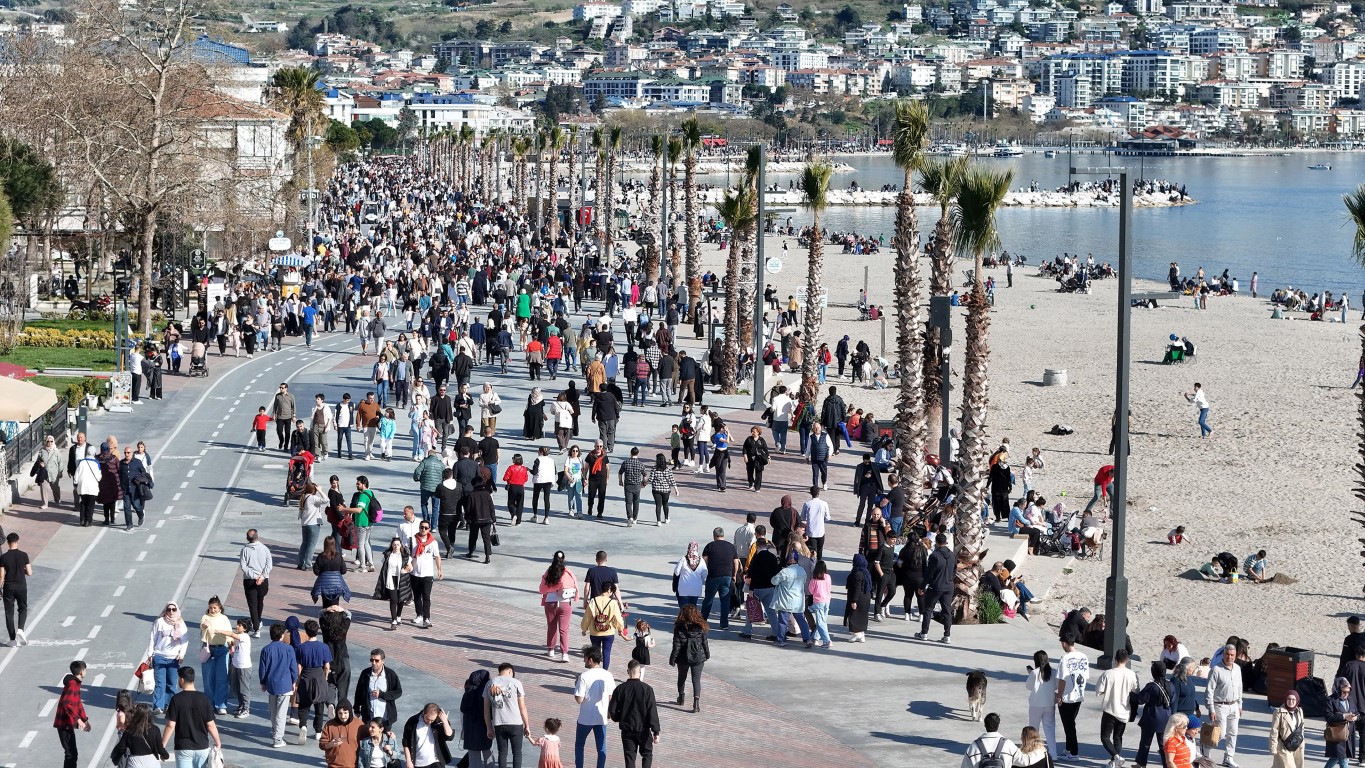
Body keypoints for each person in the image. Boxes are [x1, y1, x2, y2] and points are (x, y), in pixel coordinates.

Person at [161, 666, 222, 768]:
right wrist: (218, 742)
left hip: (183, 747)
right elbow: (210, 724)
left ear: (182, 679)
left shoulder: (176, 699)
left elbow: (170, 725)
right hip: (202, 747)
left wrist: (162, 745)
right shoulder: (204, 698)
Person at [607, 660, 660, 768]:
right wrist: (656, 731)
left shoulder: (620, 689)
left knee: (629, 757)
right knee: (647, 755)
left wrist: (619, 718)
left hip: (627, 730)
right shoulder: (647, 689)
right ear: (639, 672)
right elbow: (652, 711)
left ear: (628, 671)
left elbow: (612, 710)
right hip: (643, 730)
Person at [572, 644, 615, 768]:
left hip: (585, 718)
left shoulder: (584, 676)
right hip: (601, 717)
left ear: (590, 660)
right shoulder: (608, 675)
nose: (584, 660)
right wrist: (609, 712)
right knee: (601, 747)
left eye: (585, 658)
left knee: (579, 745)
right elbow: (612, 697)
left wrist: (576, 685)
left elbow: (579, 699)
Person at [484, 662, 532, 768]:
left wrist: (489, 728)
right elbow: (522, 707)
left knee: (502, 753)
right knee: (517, 753)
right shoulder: (516, 683)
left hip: (498, 723)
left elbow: (486, 709)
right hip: (516, 723)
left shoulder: (489, 683)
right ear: (510, 671)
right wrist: (527, 725)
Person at [259, 623, 299, 746]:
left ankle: (274, 731)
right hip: (285, 684)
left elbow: (263, 669)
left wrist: (263, 682)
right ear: (282, 635)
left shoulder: (266, 649)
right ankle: (278, 738)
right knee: (281, 713)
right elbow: (293, 668)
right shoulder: (289, 649)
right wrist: (294, 681)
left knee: (273, 711)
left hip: (271, 684)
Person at [1097, 649, 1138, 768]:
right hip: (1124, 711)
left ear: (1115, 659)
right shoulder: (1132, 674)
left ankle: (1116, 757)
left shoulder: (1108, 673)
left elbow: (1099, 690)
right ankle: (1114, 762)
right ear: (1127, 660)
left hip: (1110, 709)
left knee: (1105, 737)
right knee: (1118, 737)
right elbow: (1136, 692)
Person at [1204, 643, 1243, 766]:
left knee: (1233, 733)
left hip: (1234, 705)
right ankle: (1205, 750)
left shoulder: (1237, 668)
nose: (1229, 657)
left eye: (1232, 655)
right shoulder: (1216, 669)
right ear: (1223, 654)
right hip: (1220, 705)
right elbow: (1209, 690)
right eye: (1227, 654)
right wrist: (1211, 709)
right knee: (1220, 733)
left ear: (1235, 655)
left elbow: (1239, 687)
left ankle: (1228, 757)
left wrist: (1240, 704)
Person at [916, 533, 955, 644]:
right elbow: (954, 570)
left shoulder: (935, 555)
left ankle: (924, 633)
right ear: (945, 542)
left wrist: (922, 586)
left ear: (937, 543)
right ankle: (947, 635)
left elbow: (929, 573)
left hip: (936, 586)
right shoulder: (952, 555)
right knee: (947, 611)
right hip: (948, 586)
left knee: (928, 609)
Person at [669, 603, 710, 712]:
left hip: (683, 657)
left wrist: (673, 658)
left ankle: (681, 697)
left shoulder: (679, 627)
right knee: (696, 680)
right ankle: (696, 704)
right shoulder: (701, 626)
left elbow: (676, 645)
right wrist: (707, 654)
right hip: (698, 657)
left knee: (681, 677)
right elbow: (704, 642)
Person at [1133, 661, 1173, 768]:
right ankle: (1167, 765)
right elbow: (1173, 700)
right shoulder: (1170, 685)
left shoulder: (1152, 686)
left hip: (1151, 717)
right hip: (1166, 718)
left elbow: (1141, 700)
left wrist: (1132, 694)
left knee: (1145, 743)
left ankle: (1141, 763)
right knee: (1163, 745)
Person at [540, 551, 577, 663]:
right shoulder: (567, 572)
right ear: (564, 559)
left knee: (551, 627)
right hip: (565, 603)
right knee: (564, 630)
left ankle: (551, 650)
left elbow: (542, 587)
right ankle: (564, 653)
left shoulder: (549, 571)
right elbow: (574, 585)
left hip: (550, 602)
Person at [1057, 634, 1089, 761]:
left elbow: (1062, 679)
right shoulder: (1083, 656)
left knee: (1069, 725)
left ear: (1064, 643)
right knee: (1071, 723)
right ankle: (1069, 748)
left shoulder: (1065, 658)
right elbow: (1085, 676)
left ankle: (1074, 753)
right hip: (1079, 695)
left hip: (1067, 697)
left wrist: (1059, 695)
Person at [54, 660, 90, 768]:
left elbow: (77, 703)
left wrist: (85, 720)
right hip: (64, 723)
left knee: (72, 753)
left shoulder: (75, 683)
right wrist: (78, 720)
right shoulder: (73, 684)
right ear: (81, 672)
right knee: (71, 754)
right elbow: (68, 704)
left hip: (67, 723)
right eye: (85, 669)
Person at [699, 527, 738, 629]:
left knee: (708, 599)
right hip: (727, 577)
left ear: (714, 535)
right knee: (725, 600)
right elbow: (736, 562)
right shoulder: (731, 546)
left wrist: (706, 572)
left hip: (713, 576)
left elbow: (704, 561)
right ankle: (724, 624)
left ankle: (703, 621)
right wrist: (734, 574)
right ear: (723, 535)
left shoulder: (709, 546)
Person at [354, 648, 403, 727]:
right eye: (371, 660)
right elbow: (359, 691)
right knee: (367, 738)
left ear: (383, 661)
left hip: (385, 717)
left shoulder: (390, 674)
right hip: (369, 716)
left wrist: (382, 695)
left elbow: (398, 692)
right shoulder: (365, 673)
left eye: (377, 660)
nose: (373, 663)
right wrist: (356, 707)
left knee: (384, 738)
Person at [112, 703, 171, 767]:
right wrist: (165, 756)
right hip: (151, 762)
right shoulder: (155, 729)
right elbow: (160, 748)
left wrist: (115, 758)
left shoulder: (129, 730)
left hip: (135, 762)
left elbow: (121, 747)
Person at [582, 583, 625, 670]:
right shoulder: (613, 603)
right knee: (607, 652)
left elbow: (587, 617)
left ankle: (595, 670)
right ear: (609, 590)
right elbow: (618, 618)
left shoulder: (593, 601)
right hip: (608, 632)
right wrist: (620, 629)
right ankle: (605, 671)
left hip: (595, 632)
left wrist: (584, 628)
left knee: (595, 653)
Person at [238, 529, 271, 637]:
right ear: (257, 536)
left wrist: (254, 575)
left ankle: (256, 628)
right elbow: (269, 564)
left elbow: (243, 566)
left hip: (249, 580)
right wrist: (262, 576)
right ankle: (258, 621)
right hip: (263, 580)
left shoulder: (245, 550)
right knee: (260, 601)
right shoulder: (265, 549)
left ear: (247, 538)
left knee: (252, 604)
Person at [1, 532, 32, 648]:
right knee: (22, 609)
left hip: (8, 587)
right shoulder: (24, 555)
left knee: (9, 613)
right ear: (17, 541)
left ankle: (12, 640)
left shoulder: (3, 557)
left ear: (8, 543)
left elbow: (1, 576)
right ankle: (21, 629)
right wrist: (21, 570)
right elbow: (29, 572)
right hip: (21, 586)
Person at [402, 702, 456, 768]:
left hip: (436, 761)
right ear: (424, 712)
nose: (429, 722)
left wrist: (445, 722)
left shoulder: (439, 721)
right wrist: (408, 761)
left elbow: (450, 737)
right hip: (419, 763)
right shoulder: (412, 722)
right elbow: (406, 743)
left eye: (432, 720)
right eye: (428, 719)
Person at [461, 669, 495, 768]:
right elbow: (490, 712)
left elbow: (462, 711)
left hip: (470, 730)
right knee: (488, 754)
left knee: (473, 759)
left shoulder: (467, 693)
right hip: (485, 728)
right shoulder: (485, 693)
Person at [1268, 689, 1305, 768]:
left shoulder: (1299, 711)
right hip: (1283, 746)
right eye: (1289, 699)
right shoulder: (1278, 712)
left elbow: (1302, 727)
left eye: (1293, 699)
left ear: (1297, 700)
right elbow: (1274, 731)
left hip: (1297, 745)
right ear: (1285, 699)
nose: (1291, 701)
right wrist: (1273, 747)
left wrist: (1302, 741)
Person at [1327, 677, 1358, 768]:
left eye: (1348, 692)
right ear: (1338, 690)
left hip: (1348, 735)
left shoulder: (1350, 700)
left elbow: (1357, 712)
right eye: (1343, 692)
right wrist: (1344, 716)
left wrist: (1355, 717)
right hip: (1337, 734)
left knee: (1335, 757)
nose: (1346, 694)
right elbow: (1328, 717)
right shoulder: (1330, 700)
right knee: (1343, 759)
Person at [843, 553, 873, 643]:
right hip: (866, 596)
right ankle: (861, 634)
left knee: (853, 616)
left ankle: (857, 635)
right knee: (862, 616)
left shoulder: (857, 573)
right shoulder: (866, 572)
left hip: (858, 597)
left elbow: (857, 588)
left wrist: (854, 601)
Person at [672, 542, 706, 607]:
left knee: (684, 609)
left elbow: (676, 572)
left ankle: (684, 617)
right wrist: (698, 579)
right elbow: (705, 574)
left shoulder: (683, 559)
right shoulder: (701, 560)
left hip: (683, 589)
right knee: (693, 608)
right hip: (696, 589)